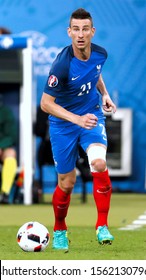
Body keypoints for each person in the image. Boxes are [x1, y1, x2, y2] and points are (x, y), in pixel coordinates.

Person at [41, 8, 116, 250]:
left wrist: (104, 94)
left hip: (91, 117)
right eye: (76, 29)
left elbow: (95, 73)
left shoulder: (100, 54)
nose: (80, 34)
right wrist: (76, 119)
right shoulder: (62, 65)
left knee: (99, 163)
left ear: (92, 32)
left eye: (85, 29)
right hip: (64, 124)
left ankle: (102, 225)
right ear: (69, 32)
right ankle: (60, 229)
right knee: (67, 183)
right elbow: (45, 104)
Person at [0, 95, 17, 204]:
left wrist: (1, 146)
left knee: (11, 154)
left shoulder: (5, 112)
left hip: (3, 148)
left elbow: (11, 135)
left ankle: (4, 193)